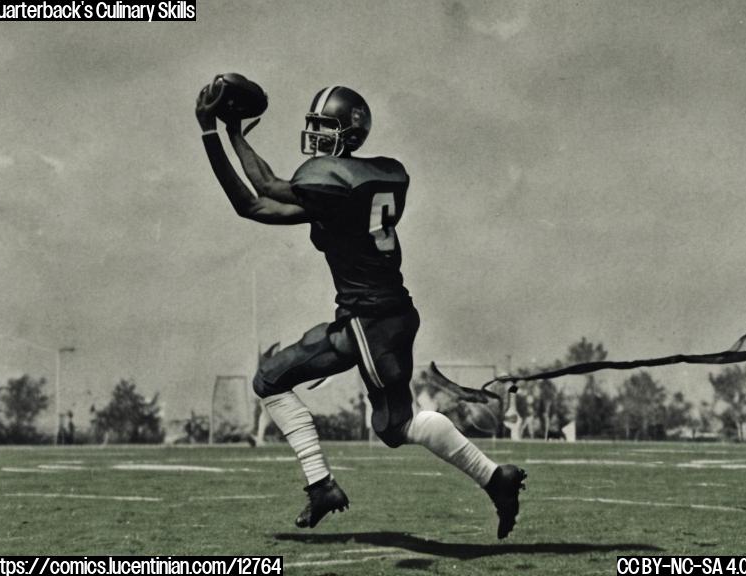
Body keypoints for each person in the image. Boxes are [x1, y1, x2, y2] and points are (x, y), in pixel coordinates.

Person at [195, 80, 526, 539]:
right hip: (371, 318)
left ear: (349, 133)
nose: (313, 136)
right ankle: (322, 486)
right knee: (270, 378)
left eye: (324, 126)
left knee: (396, 426)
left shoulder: (329, 185)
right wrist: (234, 135)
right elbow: (264, 201)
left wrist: (216, 133)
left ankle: (495, 478)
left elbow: (259, 192)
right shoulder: (374, 179)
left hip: (374, 322)